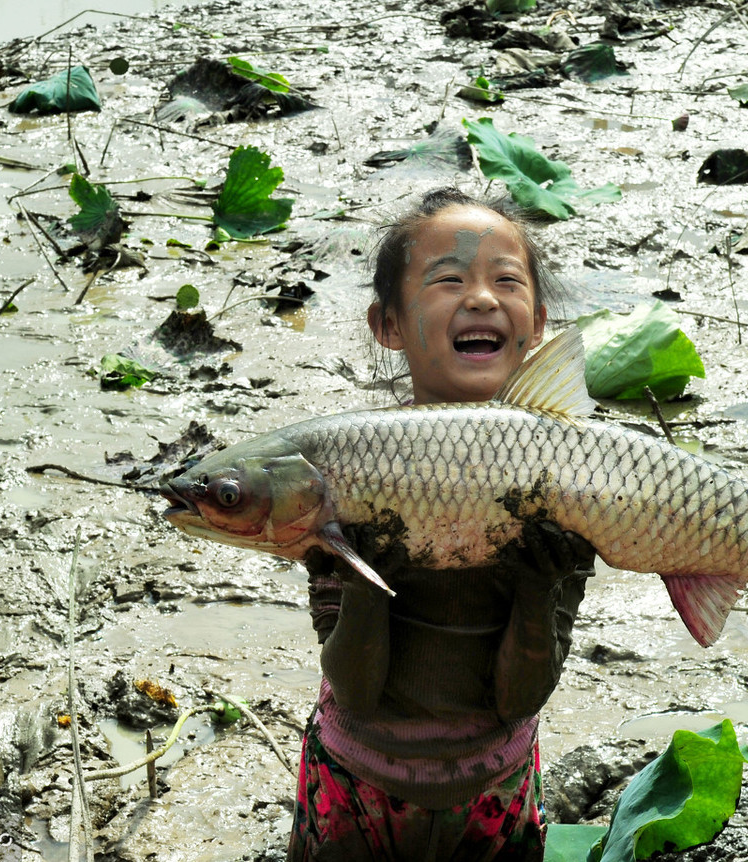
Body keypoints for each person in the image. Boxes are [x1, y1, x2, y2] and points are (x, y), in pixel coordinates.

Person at [287, 188, 596, 861]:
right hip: (357, 782)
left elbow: (519, 698)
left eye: (506, 281)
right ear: (388, 324)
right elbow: (357, 692)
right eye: (449, 280)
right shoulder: (346, 472)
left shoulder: (567, 481)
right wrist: (372, 577)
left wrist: (537, 587)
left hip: (494, 786)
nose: (482, 298)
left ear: (537, 324)